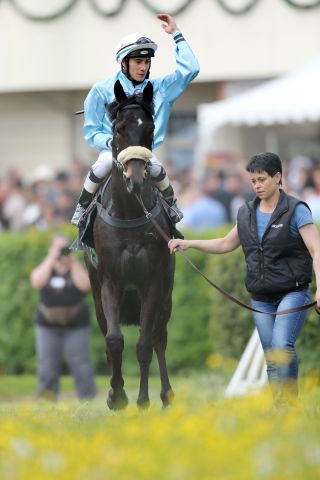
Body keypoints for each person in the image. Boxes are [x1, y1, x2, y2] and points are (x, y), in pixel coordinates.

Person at [168, 152, 320, 407]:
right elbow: (226, 243)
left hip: (292, 292)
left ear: (278, 177)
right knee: (272, 355)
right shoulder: (246, 213)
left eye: (262, 179)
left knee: (282, 347)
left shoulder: (296, 210)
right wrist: (189, 243)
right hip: (260, 298)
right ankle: (283, 407)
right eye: (253, 181)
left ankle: (288, 402)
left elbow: (316, 249)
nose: (257, 185)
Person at [71, 13, 199, 227]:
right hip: (113, 151)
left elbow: (191, 70)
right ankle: (82, 208)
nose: (143, 67)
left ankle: (171, 205)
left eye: (147, 62)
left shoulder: (160, 88)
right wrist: (113, 143)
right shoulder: (101, 90)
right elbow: (91, 132)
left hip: (145, 151)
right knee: (102, 164)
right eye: (138, 61)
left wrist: (177, 35)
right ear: (124, 62)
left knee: (157, 168)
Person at [30, 233, 97, 401]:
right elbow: (37, 281)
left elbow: (85, 286)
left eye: (65, 248)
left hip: (76, 325)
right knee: (47, 364)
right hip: (47, 326)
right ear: (51, 249)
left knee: (80, 363)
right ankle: (46, 398)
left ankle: (87, 398)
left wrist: (72, 261)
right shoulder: (47, 266)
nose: (62, 252)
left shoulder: (76, 266)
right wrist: (51, 258)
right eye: (58, 248)